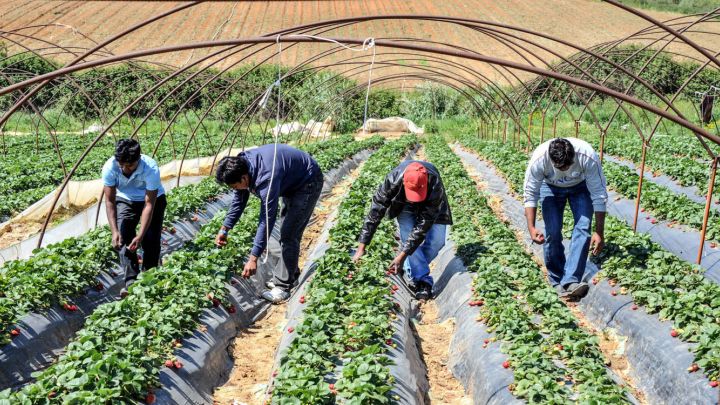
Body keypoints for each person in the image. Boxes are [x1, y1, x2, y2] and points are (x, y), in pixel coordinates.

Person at [214, 144, 323, 304]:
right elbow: (239, 200)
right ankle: (289, 274)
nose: (236, 189)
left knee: (289, 233)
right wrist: (225, 229)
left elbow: (266, 219)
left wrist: (253, 258)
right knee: (287, 229)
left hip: (307, 182)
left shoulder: (266, 178)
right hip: (292, 181)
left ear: (244, 178)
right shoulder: (243, 164)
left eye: (235, 186)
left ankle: (283, 286)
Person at [354, 161, 452, 301]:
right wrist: (361, 247)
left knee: (437, 241)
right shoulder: (393, 181)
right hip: (403, 204)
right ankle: (421, 281)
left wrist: (402, 256)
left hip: (431, 205)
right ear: (404, 182)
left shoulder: (434, 184)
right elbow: (375, 213)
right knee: (408, 233)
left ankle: (408, 266)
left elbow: (423, 225)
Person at [523, 137, 608, 299]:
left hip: (581, 187)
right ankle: (556, 280)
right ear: (551, 159)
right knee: (552, 232)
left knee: (583, 227)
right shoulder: (539, 159)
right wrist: (531, 227)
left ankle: (571, 280)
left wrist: (599, 232)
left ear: (573, 156)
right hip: (550, 188)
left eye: (568, 165)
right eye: (560, 167)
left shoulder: (587, 156)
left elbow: (599, 194)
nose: (564, 169)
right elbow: (530, 193)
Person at [102, 138, 167, 297]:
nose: (125, 168)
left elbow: (149, 204)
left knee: (150, 239)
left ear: (138, 159)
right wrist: (114, 231)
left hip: (154, 199)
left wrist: (140, 235)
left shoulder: (150, 168)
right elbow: (110, 200)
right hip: (126, 199)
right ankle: (131, 283)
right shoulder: (110, 167)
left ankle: (148, 278)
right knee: (123, 238)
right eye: (121, 164)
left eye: (129, 165)